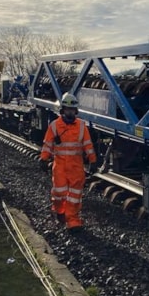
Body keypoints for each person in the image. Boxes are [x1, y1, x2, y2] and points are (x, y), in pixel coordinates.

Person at [39, 92, 97, 232]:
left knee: (75, 197)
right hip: (60, 166)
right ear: (62, 110)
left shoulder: (82, 127)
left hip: (76, 167)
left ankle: (73, 221)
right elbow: (48, 144)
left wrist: (93, 160)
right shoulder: (54, 126)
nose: (69, 112)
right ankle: (59, 210)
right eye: (67, 109)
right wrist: (43, 158)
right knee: (59, 193)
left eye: (72, 110)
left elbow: (88, 145)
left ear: (75, 111)